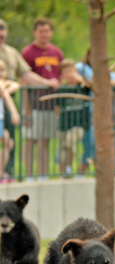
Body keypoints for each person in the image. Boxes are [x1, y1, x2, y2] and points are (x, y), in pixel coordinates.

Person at [0, 18, 59, 179]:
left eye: (3, 36)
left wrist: (46, 82)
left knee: (9, 140)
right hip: (14, 98)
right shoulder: (28, 51)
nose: (1, 39)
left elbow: (25, 74)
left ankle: (7, 173)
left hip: (7, 100)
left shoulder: (11, 52)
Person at [21, 17, 63, 179]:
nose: (44, 35)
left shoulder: (56, 52)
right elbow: (23, 80)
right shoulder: (28, 52)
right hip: (34, 103)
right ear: (35, 33)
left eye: (47, 31)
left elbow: (59, 77)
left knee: (45, 141)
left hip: (51, 104)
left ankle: (43, 174)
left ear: (51, 32)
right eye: (41, 31)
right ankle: (29, 175)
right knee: (31, 140)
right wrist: (26, 109)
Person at [56, 59, 91, 178]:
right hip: (64, 124)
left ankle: (71, 169)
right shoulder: (61, 89)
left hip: (80, 124)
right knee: (62, 149)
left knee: (70, 142)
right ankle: (64, 173)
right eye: (66, 72)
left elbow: (93, 86)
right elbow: (57, 109)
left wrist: (81, 79)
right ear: (62, 75)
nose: (69, 74)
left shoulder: (84, 87)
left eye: (71, 71)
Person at [0, 60, 20, 182]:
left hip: (0, 119)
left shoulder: (3, 85)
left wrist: (3, 91)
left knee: (8, 141)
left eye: (2, 71)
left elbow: (15, 85)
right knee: (7, 141)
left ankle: (2, 172)